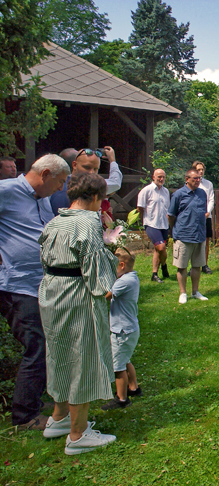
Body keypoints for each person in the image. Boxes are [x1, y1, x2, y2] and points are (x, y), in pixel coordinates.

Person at [38, 173, 119, 454]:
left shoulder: (55, 221)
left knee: (59, 351)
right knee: (82, 355)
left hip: (51, 291)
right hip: (76, 294)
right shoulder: (87, 222)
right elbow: (96, 273)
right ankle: (78, 433)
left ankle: (59, 417)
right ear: (96, 197)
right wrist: (110, 280)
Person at [0, 155, 69, 431]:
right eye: (60, 182)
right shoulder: (7, 191)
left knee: (45, 342)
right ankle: (24, 417)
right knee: (37, 345)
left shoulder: (41, 196)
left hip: (39, 283)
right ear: (46, 174)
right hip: (17, 285)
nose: (60, 189)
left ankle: (34, 402)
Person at [102, 249, 142, 411]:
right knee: (125, 359)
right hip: (129, 328)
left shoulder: (123, 282)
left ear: (122, 265)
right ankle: (133, 388)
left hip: (122, 330)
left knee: (117, 366)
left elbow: (106, 295)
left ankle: (122, 398)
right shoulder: (132, 277)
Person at [168, 169, 210, 304]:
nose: (198, 181)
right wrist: (176, 230)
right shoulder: (178, 194)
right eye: (194, 178)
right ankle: (183, 292)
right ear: (186, 179)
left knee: (197, 265)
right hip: (183, 235)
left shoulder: (202, 193)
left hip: (199, 234)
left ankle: (195, 291)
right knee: (182, 266)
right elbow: (171, 215)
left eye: (199, 178)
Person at [50, 147, 123, 215]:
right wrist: (112, 160)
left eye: (95, 169)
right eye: (87, 167)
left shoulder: (58, 184)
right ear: (74, 165)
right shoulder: (91, 186)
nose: (91, 172)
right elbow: (115, 183)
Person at [137, 168, 170, 283]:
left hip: (164, 224)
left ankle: (154, 274)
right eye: (159, 177)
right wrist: (143, 221)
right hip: (151, 223)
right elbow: (140, 207)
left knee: (158, 249)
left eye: (163, 177)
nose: (161, 179)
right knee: (161, 247)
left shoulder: (166, 192)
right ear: (153, 177)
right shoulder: (147, 190)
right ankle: (164, 266)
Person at [192, 161, 215, 274]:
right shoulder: (191, 183)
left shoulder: (208, 184)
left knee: (206, 241)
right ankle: (193, 265)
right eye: (198, 169)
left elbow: (211, 199)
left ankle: (204, 264)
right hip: (194, 217)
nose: (200, 171)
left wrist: (207, 212)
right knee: (194, 240)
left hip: (206, 216)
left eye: (202, 169)